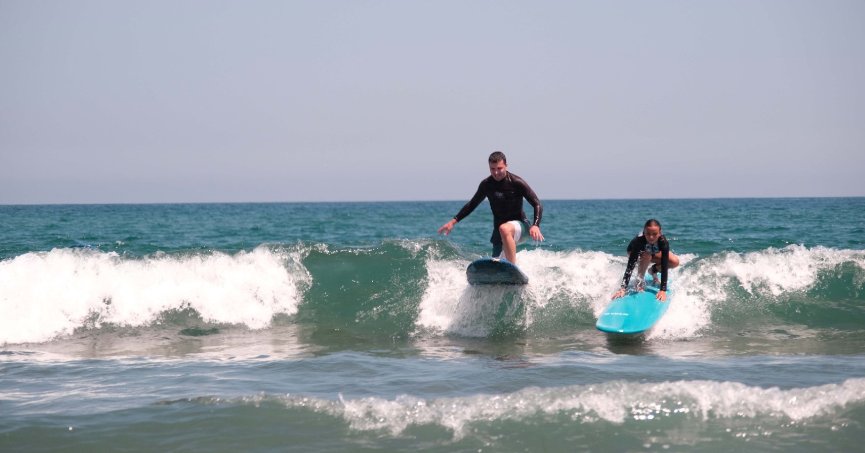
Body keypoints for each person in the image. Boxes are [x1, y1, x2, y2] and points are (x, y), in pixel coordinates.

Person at [437, 151, 544, 265]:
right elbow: (472, 204)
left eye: (499, 168)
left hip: (521, 226)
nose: (496, 172)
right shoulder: (487, 184)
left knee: (505, 228)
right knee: (495, 263)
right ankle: (507, 271)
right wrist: (453, 222)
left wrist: (535, 225)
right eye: (492, 169)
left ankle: (512, 268)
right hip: (499, 232)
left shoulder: (516, 182)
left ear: (506, 166)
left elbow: (537, 204)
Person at [611, 219, 680, 302]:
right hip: (635, 253)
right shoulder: (639, 241)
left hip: (652, 252)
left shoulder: (663, 242)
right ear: (644, 232)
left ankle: (653, 270)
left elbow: (664, 265)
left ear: (660, 233)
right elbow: (630, 266)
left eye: (654, 234)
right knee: (647, 254)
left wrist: (663, 290)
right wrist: (623, 288)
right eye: (648, 234)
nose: (651, 237)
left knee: (674, 262)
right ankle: (639, 282)